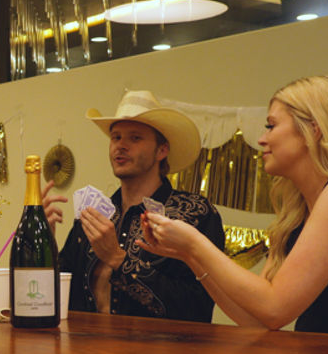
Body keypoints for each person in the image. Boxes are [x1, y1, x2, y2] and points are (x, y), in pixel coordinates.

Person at [139, 76, 328, 334]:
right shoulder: (296, 214)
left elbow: (275, 307)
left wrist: (194, 242)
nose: (261, 139)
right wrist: (188, 256)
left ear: (313, 130)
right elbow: (256, 318)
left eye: (271, 126)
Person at [45, 90, 225, 322]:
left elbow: (196, 307)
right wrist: (45, 240)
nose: (121, 146)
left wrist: (119, 260)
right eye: (116, 137)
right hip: (85, 352)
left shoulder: (194, 214)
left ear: (162, 150)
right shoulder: (93, 214)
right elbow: (56, 293)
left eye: (135, 138)